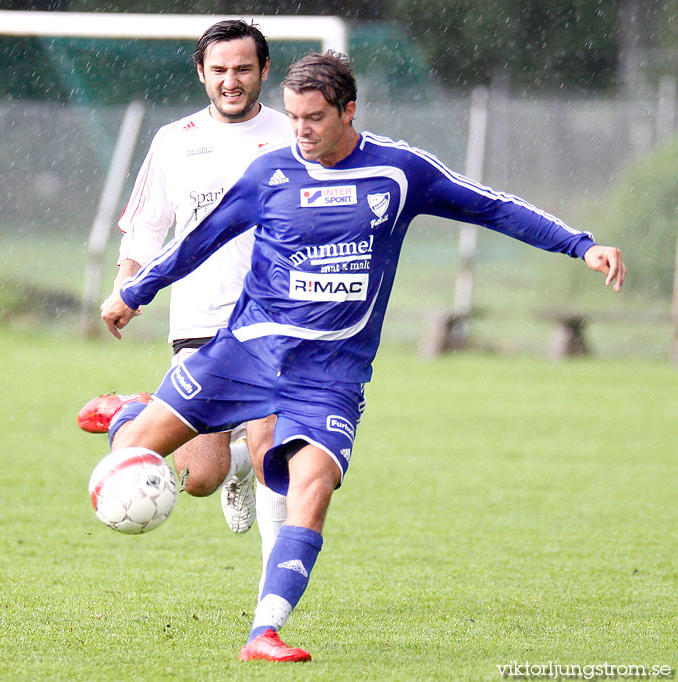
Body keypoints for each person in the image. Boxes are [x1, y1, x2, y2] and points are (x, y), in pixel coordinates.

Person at [99, 51, 626, 663]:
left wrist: (580, 246)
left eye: (315, 118)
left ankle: (263, 632)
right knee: (131, 457)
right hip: (244, 353)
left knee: (313, 485)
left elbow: (492, 205)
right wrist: (132, 293)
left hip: (329, 376)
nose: (300, 130)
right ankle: (127, 413)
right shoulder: (269, 174)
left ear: (349, 111)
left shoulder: (399, 173)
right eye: (294, 117)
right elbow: (198, 239)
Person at [80, 20, 291, 564]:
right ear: (201, 73)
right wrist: (127, 287)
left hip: (273, 317)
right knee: (201, 476)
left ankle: (273, 602)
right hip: (199, 319)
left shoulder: (294, 135)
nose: (231, 80)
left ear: (264, 71)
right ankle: (141, 412)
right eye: (219, 69)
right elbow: (147, 228)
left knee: (273, 444)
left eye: (243, 68)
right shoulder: (175, 140)